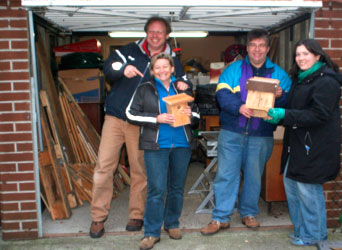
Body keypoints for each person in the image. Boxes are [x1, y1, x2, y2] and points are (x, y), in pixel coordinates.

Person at [89, 16, 190, 238]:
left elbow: (184, 82)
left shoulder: (172, 59)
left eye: (160, 32)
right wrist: (122, 69)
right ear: (146, 33)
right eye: (151, 32)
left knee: (140, 170)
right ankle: (97, 217)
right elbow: (109, 66)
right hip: (116, 118)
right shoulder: (128, 51)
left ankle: (137, 214)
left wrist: (186, 85)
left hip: (143, 121)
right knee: (104, 167)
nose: (155, 36)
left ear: (167, 36)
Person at [200, 29, 292, 235]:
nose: (257, 50)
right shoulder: (233, 70)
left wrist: (281, 96)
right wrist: (238, 107)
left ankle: (248, 213)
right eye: (253, 45)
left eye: (261, 46)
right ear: (248, 48)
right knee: (226, 175)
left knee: (253, 176)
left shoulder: (279, 74)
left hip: (261, 135)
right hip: (233, 132)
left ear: (268, 48)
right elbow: (222, 95)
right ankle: (220, 218)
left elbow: (289, 103)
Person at [265, 38, 342, 246]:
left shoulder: (326, 81)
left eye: (305, 54)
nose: (300, 58)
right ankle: (302, 231)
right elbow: (296, 111)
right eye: (298, 54)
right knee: (291, 185)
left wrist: (285, 114)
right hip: (298, 144)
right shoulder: (302, 79)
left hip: (314, 146)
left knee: (309, 191)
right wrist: (279, 116)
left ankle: (315, 235)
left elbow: (318, 115)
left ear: (317, 56)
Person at [126, 53, 199, 250]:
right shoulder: (144, 88)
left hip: (182, 145)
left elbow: (198, 114)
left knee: (176, 188)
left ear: (172, 68)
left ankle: (172, 224)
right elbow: (130, 113)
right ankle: (151, 232)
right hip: (157, 146)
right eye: (157, 67)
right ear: (152, 70)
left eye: (165, 66)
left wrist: (190, 114)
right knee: (156, 190)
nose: (162, 70)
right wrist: (155, 118)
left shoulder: (183, 88)